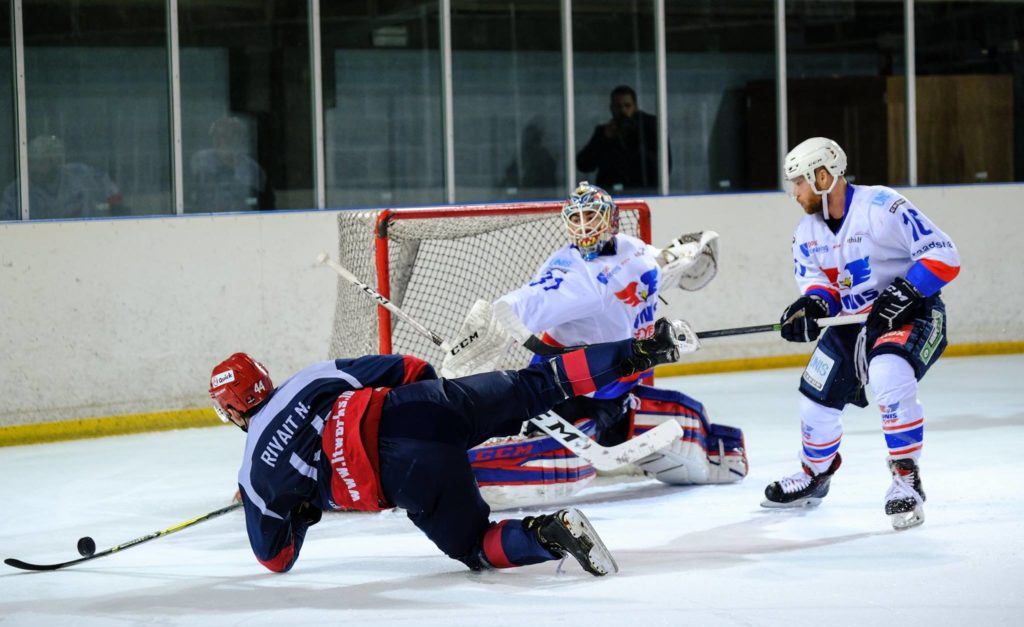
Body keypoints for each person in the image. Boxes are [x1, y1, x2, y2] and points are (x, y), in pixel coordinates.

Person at [210, 323, 686, 576]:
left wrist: (305, 509)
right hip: (421, 408)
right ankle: (639, 348)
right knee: (535, 384)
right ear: (265, 378)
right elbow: (414, 368)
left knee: (475, 546)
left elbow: (276, 559)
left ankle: (550, 535)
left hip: (407, 475)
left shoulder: (254, 476)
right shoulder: (311, 379)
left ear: (232, 411)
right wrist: (449, 413)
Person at [441, 181, 747, 504]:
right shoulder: (572, 271)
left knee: (689, 422)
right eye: (576, 218)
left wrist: (679, 256)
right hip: (567, 391)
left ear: (611, 219)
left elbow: (655, 263)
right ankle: (461, 464)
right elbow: (532, 299)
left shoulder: (632, 248)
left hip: (617, 389)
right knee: (557, 461)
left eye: (592, 215)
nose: (584, 225)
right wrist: (490, 324)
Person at [762, 137, 960, 530]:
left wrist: (907, 289)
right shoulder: (806, 233)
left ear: (823, 176)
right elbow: (822, 289)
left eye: (799, 182)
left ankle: (905, 479)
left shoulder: (881, 206)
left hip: (912, 315)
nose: (794, 193)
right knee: (814, 403)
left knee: (889, 373)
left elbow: (944, 254)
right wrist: (813, 308)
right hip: (853, 325)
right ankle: (815, 474)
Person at [1, 134, 125, 220]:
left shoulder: (81, 173)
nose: (36, 167)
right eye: (33, 161)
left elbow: (113, 195)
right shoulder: (15, 191)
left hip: (87, 237)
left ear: (56, 161)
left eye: (43, 161)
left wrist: (114, 211)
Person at [576, 85, 667, 194]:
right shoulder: (604, 132)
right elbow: (583, 165)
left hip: (644, 192)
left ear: (635, 107)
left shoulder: (648, 129)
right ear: (611, 108)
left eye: (627, 106)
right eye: (618, 106)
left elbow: (664, 166)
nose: (623, 110)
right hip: (612, 194)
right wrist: (604, 139)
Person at [187, 116, 273, 213]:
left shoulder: (252, 170)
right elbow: (187, 200)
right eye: (215, 136)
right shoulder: (200, 162)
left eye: (225, 136)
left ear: (239, 139)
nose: (219, 141)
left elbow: (267, 208)